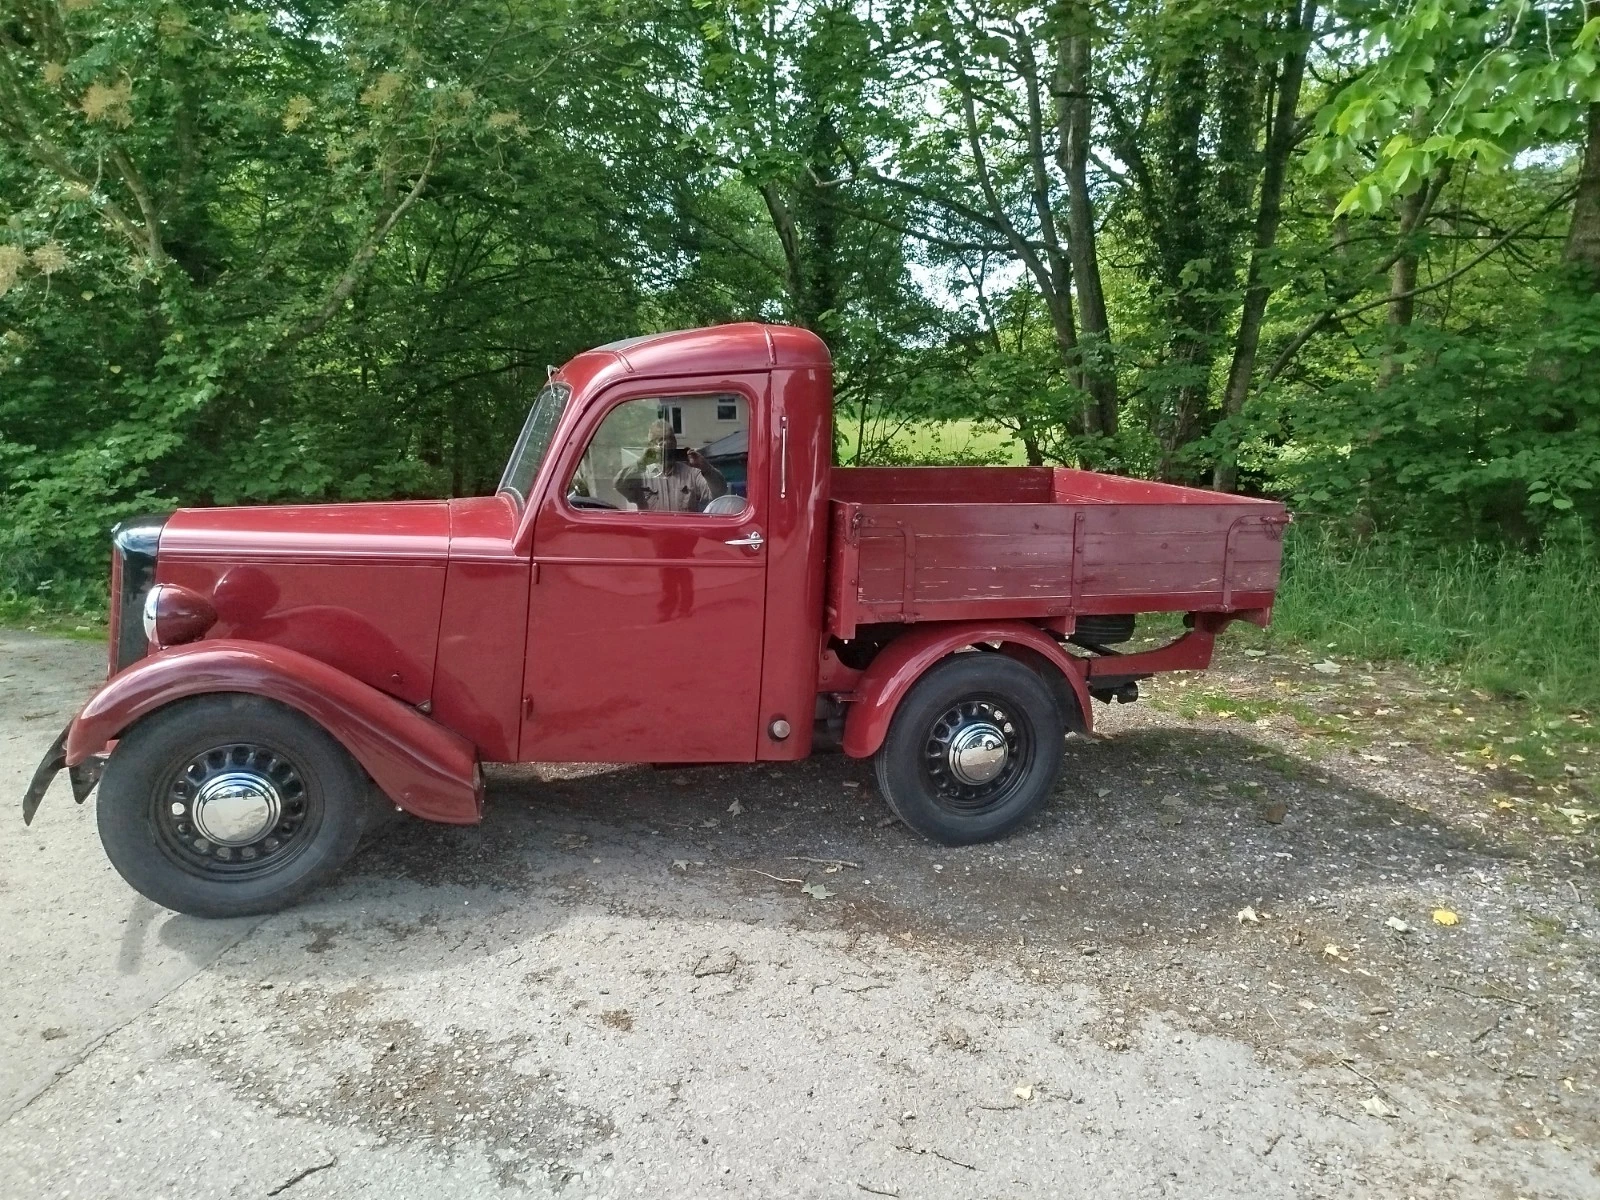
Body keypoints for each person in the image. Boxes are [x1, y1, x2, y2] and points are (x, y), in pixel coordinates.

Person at [614, 419, 728, 512]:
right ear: (650, 445)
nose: (667, 444)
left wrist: (705, 466)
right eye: (661, 440)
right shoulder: (641, 476)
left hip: (685, 535)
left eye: (671, 439)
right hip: (652, 536)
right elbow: (619, 485)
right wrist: (641, 462)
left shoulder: (691, 473)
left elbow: (720, 492)